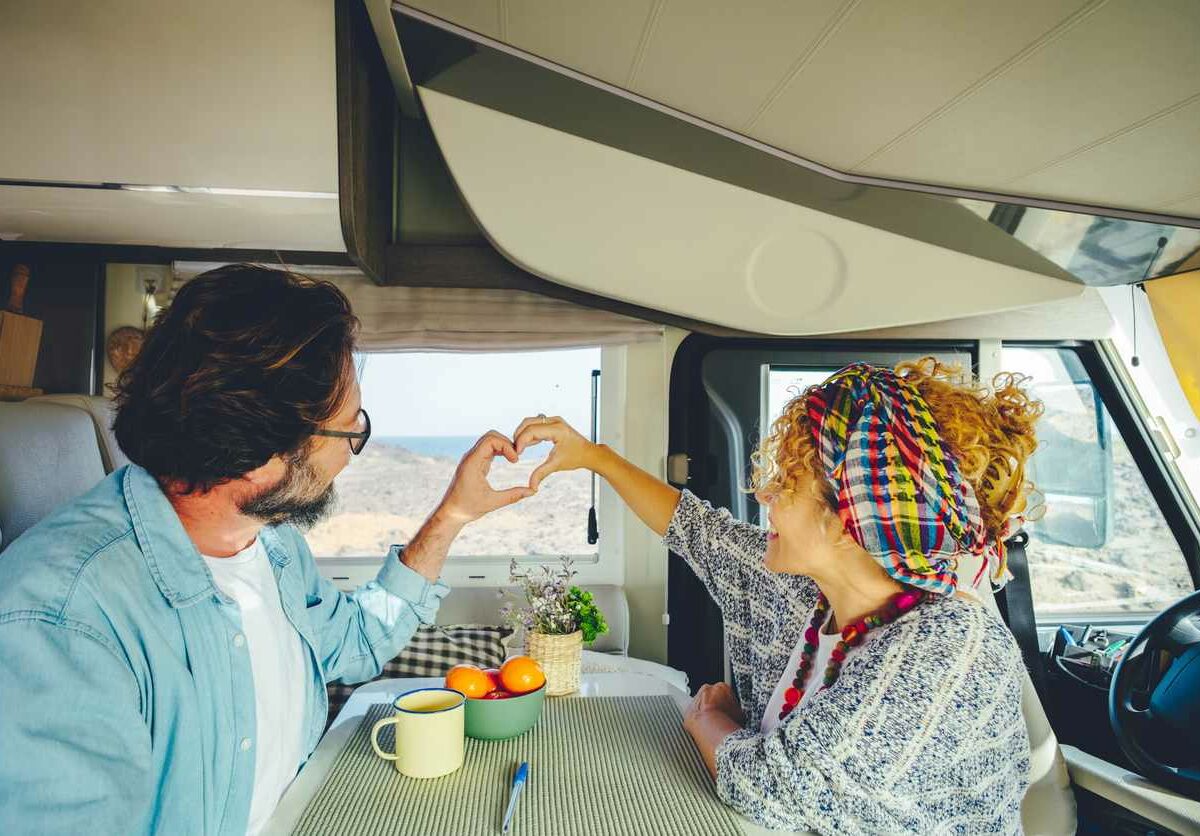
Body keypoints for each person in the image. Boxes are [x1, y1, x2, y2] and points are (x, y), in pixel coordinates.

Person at [0, 265, 533, 835]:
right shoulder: (60, 622)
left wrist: (452, 513)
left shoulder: (270, 543)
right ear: (257, 453)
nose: (353, 453)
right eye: (350, 430)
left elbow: (356, 645)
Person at [513, 358, 1040, 834]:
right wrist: (593, 457)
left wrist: (707, 720)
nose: (763, 495)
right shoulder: (799, 591)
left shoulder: (950, 649)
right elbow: (692, 526)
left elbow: (774, 786)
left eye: (786, 483)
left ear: (846, 521)